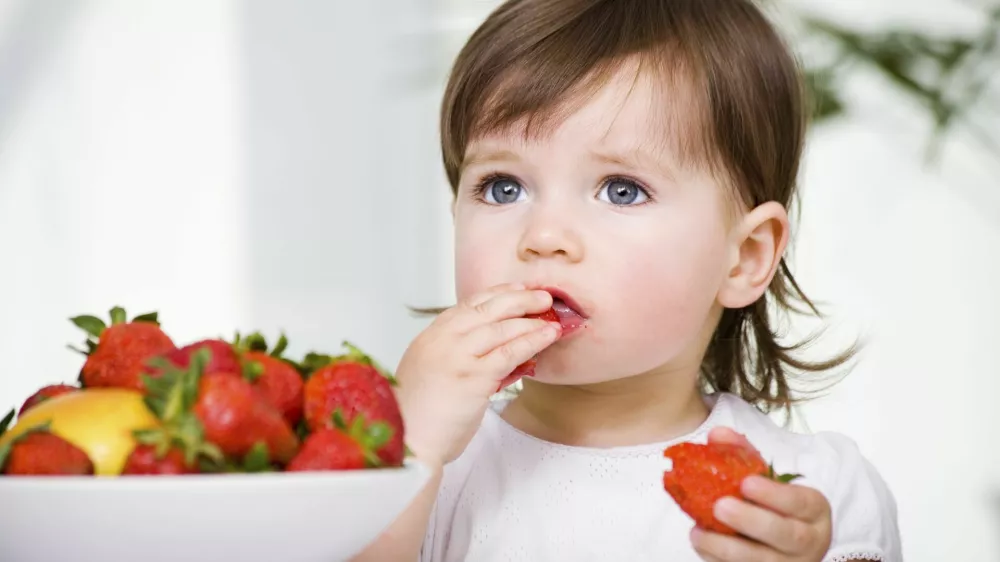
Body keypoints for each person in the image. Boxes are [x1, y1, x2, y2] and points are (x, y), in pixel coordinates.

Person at [356, 0, 902, 560]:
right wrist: (406, 452)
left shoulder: (810, 495)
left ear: (742, 258)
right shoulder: (434, 471)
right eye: (503, 187)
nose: (544, 236)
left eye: (622, 189)